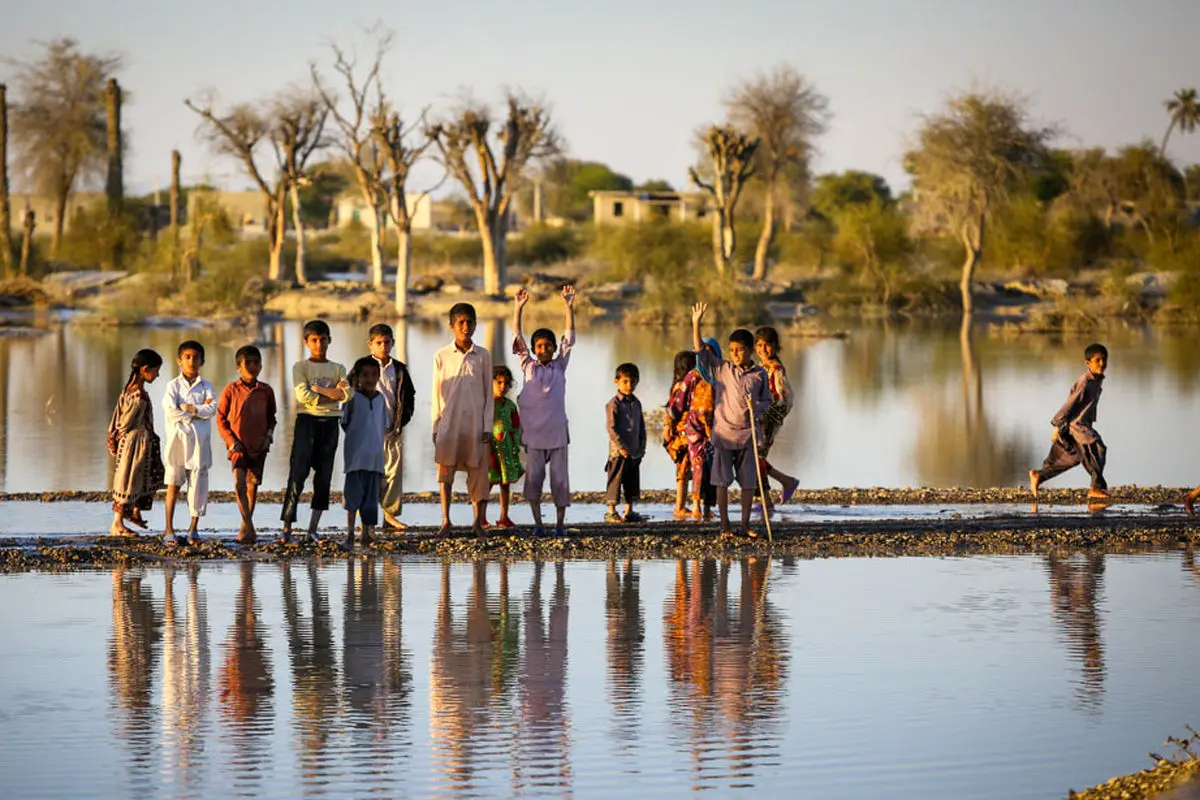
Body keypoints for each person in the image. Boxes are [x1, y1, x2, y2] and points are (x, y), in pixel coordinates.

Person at [692, 302, 772, 537]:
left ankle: (745, 524)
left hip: (747, 436)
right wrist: (696, 323)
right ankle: (725, 525)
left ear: (749, 351)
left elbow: (767, 401)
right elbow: (700, 352)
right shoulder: (723, 368)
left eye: (739, 350)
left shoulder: (760, 374)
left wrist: (755, 408)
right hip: (724, 434)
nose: (735, 354)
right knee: (722, 481)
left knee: (748, 483)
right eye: (731, 350)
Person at [513, 284, 576, 536]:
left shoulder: (559, 366)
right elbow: (517, 337)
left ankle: (560, 525)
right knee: (533, 483)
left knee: (560, 482)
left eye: (549, 345)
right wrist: (518, 307)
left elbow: (569, 339)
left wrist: (568, 306)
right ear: (533, 348)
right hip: (534, 438)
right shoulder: (528, 365)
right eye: (539, 346)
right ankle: (539, 524)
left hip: (558, 436)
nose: (545, 349)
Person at [282, 320, 350, 542]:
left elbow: (346, 395)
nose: (319, 344)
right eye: (314, 340)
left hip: (330, 425)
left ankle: (312, 529)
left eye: (323, 339)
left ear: (329, 340)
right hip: (307, 422)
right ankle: (287, 529)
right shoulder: (300, 367)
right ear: (306, 342)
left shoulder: (338, 368)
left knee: (324, 478)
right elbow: (304, 396)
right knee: (297, 475)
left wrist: (320, 389)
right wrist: (332, 394)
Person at [432, 302, 493, 537]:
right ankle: (446, 521)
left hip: (477, 425)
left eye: (470, 322)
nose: (465, 327)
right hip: (449, 425)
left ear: (476, 325)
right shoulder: (442, 355)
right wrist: (436, 427)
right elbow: (436, 393)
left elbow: (489, 393)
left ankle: (478, 522)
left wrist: (488, 425)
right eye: (461, 322)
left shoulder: (483, 355)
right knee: (445, 474)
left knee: (478, 475)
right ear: (452, 326)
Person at [1029, 343, 1111, 501]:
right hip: (1077, 427)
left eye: (1104, 360)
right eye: (1098, 360)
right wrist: (1057, 426)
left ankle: (1038, 475)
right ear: (1088, 363)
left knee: (1071, 458)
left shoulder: (1097, 380)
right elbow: (1069, 405)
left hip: (1081, 425)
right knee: (1096, 448)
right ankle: (1096, 488)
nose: (1102, 364)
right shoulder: (1085, 382)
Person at [216, 345, 277, 545]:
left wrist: (268, 437)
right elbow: (221, 419)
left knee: (252, 487)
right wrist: (231, 441)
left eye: (256, 363)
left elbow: (272, 418)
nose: (252, 366)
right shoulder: (231, 390)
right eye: (247, 363)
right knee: (239, 483)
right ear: (238, 367)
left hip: (259, 446)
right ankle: (249, 524)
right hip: (237, 446)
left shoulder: (266, 391)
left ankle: (245, 527)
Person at [161, 340, 217, 545]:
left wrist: (190, 408)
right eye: (187, 357)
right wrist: (195, 412)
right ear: (179, 360)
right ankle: (169, 530)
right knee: (173, 484)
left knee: (198, 484)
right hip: (177, 440)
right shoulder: (172, 386)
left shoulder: (207, 386)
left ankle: (193, 529)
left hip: (200, 442)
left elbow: (212, 410)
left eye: (195, 357)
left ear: (202, 361)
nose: (191, 361)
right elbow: (170, 410)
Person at [107, 348, 165, 537]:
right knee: (127, 481)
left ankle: (132, 513)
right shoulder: (137, 395)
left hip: (137, 442)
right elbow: (124, 423)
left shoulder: (130, 390)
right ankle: (117, 524)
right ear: (145, 369)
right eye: (155, 371)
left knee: (136, 480)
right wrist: (120, 437)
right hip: (134, 443)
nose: (157, 375)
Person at [366, 324, 415, 530]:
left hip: (392, 430)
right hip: (368, 432)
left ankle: (390, 516)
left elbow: (409, 396)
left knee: (393, 475)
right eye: (379, 343)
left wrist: (401, 422)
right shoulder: (363, 367)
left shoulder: (399, 368)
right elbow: (350, 396)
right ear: (370, 345)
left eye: (387, 342)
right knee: (368, 475)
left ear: (393, 343)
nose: (383, 346)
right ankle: (366, 520)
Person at [664, 350, 717, 521]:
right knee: (690, 469)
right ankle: (681, 507)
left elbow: (672, 411)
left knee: (685, 471)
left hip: (685, 433)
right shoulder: (690, 382)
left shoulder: (682, 384)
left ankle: (682, 506)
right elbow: (675, 410)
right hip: (686, 434)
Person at [341, 357, 388, 547]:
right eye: (365, 375)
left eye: (374, 375)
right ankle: (351, 533)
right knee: (352, 499)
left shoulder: (380, 400)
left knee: (370, 499)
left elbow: (383, 426)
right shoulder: (351, 398)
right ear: (358, 377)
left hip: (375, 457)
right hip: (355, 457)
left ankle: (367, 533)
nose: (370, 379)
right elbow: (344, 422)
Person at [754, 326, 801, 510]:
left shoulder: (775, 368)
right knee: (756, 459)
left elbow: (784, 397)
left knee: (756, 458)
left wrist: (765, 415)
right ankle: (778, 489)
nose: (763, 350)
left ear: (775, 346)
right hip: (760, 420)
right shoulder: (761, 367)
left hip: (766, 423)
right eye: (759, 345)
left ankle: (770, 498)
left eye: (767, 345)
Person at [605, 363, 647, 523]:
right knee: (615, 480)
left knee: (632, 481)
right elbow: (611, 428)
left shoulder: (636, 403)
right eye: (626, 381)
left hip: (634, 449)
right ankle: (611, 511)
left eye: (633, 382)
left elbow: (641, 426)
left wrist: (642, 446)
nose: (629, 386)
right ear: (617, 381)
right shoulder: (614, 404)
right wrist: (621, 447)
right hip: (618, 451)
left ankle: (628, 511)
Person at [488, 364, 524, 529]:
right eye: (499, 383)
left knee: (505, 483)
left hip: (507, 449)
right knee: (486, 483)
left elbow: (516, 428)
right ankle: (480, 517)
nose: (503, 387)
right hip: (489, 449)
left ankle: (504, 516)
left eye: (506, 384)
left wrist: (516, 447)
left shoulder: (510, 406)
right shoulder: (486, 404)